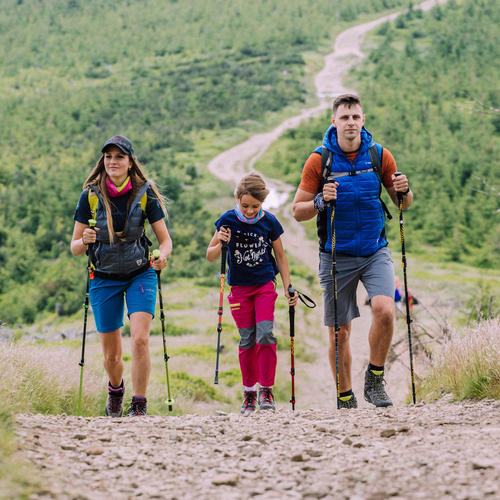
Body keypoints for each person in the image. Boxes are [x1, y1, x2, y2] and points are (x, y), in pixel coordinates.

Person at [292, 94, 413, 409]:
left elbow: (402, 203)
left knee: (385, 311)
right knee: (339, 333)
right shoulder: (319, 160)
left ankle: (374, 380)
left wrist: (405, 190)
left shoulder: (379, 155)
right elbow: (297, 211)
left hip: (375, 250)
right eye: (345, 117)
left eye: (355, 117)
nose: (351, 123)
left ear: (363, 120)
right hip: (335, 255)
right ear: (334, 121)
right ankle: (345, 397)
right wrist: (320, 200)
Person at [71, 135, 172, 417]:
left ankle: (139, 404)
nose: (112, 161)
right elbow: (75, 248)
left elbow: (165, 240)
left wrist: (162, 257)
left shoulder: (145, 193)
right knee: (112, 356)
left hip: (140, 273)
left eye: (119, 157)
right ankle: (116, 391)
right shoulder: (90, 196)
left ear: (130, 162)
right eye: (108, 157)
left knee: (140, 340)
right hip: (103, 278)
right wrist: (84, 240)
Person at [207, 173, 298, 414]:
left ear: (263, 203)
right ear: (237, 198)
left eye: (255, 206)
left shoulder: (269, 222)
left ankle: (266, 389)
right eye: (245, 205)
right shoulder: (226, 220)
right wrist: (221, 242)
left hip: (264, 285)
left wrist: (288, 287)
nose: (249, 211)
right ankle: (249, 392)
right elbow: (210, 255)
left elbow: (281, 257)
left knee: (265, 334)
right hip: (239, 289)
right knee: (247, 339)